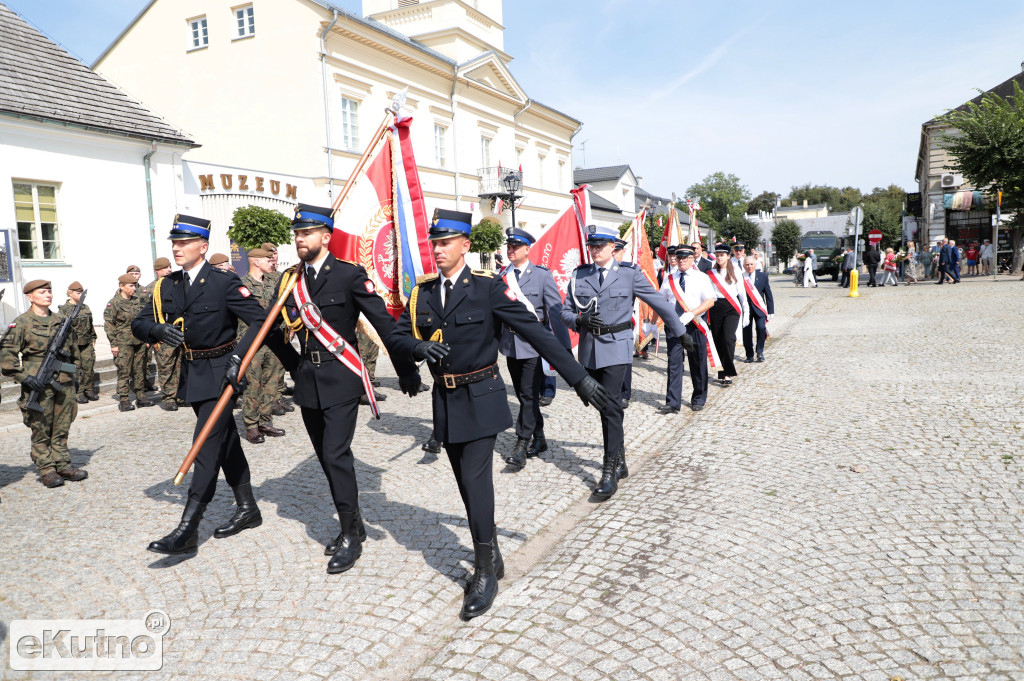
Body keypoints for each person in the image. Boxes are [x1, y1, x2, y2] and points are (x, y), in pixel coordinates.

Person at [388, 209, 609, 620]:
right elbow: (397, 333)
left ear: (465, 246)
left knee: (475, 484)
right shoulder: (423, 292)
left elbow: (537, 332)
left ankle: (486, 569)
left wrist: (578, 378)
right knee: (463, 482)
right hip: (446, 403)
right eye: (434, 242)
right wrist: (416, 350)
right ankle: (493, 552)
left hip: (482, 397)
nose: (438, 249)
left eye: (446, 242)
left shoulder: (489, 289)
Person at [133, 214, 297, 555]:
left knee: (206, 445)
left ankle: (188, 528)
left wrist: (239, 357)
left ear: (203, 247)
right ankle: (248, 508)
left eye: (184, 243)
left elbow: (262, 321)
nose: (177, 248)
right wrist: (156, 330)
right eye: (174, 243)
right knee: (225, 442)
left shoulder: (223, 283)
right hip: (191, 375)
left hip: (223, 373)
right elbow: (140, 322)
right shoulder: (167, 285)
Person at [561, 223, 686, 499]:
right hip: (590, 350)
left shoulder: (628, 274)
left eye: (600, 246)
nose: (594, 250)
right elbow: (565, 312)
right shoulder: (579, 276)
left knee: (611, 406)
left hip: (617, 348)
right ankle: (621, 460)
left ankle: (609, 470)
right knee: (605, 408)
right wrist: (578, 320)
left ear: (613, 248)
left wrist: (680, 331)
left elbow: (658, 301)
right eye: (591, 246)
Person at [0, 280, 88, 488]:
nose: (48, 294)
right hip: (37, 383)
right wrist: (25, 378)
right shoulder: (21, 323)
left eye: (49, 291)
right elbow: (6, 358)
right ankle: (46, 469)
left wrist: (75, 376)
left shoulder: (62, 321)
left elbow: (74, 352)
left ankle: (63, 464)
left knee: (62, 425)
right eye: (42, 292)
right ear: (30, 297)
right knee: (40, 427)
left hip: (63, 381)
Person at [497, 227, 565, 470]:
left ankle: (521, 442)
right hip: (510, 345)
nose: (511, 250)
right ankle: (540, 438)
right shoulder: (502, 275)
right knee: (523, 394)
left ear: (527, 249)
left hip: (533, 346)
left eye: (516, 246)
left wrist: (560, 349)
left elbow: (554, 313)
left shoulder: (542, 276)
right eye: (509, 246)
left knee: (527, 395)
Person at [237, 248, 285, 444]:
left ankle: (265, 421)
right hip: (252, 344)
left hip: (272, 342)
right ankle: (251, 426)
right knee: (253, 386)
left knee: (271, 384)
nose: (272, 262)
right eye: (268, 259)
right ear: (256, 262)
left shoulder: (270, 284)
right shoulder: (241, 285)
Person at [659, 246, 712, 412]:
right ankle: (672, 402)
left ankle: (698, 398)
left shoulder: (701, 277)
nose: (681, 261)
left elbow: (710, 301)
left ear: (691, 259)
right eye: (678, 258)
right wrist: (655, 322)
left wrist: (692, 314)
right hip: (675, 326)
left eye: (685, 258)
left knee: (697, 362)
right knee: (674, 363)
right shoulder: (669, 278)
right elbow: (661, 301)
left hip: (695, 325)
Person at [141, 257, 187, 411]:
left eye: (170, 267)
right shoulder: (151, 288)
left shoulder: (175, 283)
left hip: (177, 332)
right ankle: (168, 398)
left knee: (179, 366)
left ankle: (179, 396)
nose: (169, 270)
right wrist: (152, 337)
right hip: (162, 335)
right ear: (157, 270)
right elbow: (146, 316)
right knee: (166, 367)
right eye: (165, 268)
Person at [105, 273, 152, 411]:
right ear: (121, 286)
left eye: (135, 285)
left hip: (140, 340)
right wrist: (113, 344)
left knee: (140, 369)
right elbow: (109, 324)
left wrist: (148, 337)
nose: (134, 288)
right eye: (131, 286)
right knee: (124, 370)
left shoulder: (138, 300)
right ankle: (124, 400)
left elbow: (145, 320)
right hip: (123, 342)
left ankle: (141, 396)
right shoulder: (114, 303)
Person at [708, 243, 748, 386]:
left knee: (728, 338)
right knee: (718, 340)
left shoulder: (736, 271)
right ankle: (722, 372)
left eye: (722, 255)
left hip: (732, 307)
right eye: (717, 255)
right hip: (716, 307)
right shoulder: (711, 273)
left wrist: (746, 312)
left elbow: (742, 294)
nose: (719, 258)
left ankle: (728, 373)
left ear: (728, 256)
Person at [261, 242, 293, 415]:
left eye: (275, 254)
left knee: (280, 365)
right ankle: (270, 400)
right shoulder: (262, 277)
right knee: (268, 368)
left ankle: (277, 397)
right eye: (269, 254)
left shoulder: (281, 276)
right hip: (268, 330)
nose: (274, 257)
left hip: (282, 326)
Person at [59, 281, 99, 404]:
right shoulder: (64, 309)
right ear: (70, 293)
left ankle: (89, 389)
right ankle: (79, 392)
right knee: (76, 369)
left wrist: (93, 338)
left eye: (81, 292)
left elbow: (90, 324)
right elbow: (62, 329)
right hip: (73, 345)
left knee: (88, 367)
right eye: (78, 292)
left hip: (86, 342)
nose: (80, 294)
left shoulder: (85, 307)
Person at [741, 256, 774, 362]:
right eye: (747, 264)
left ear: (755, 265)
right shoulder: (741, 277)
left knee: (761, 328)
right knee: (746, 332)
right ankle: (749, 355)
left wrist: (771, 310)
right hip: (746, 309)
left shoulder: (763, 276)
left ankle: (760, 352)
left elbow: (768, 294)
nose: (749, 266)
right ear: (744, 266)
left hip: (759, 308)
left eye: (751, 264)